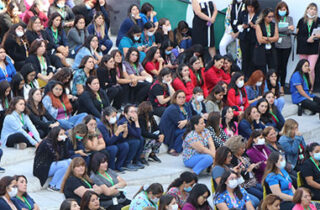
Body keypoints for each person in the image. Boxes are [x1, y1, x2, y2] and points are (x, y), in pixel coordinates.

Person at [225, 136, 263, 206]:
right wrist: (248, 170)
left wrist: (254, 166)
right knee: (260, 196)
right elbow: (240, 177)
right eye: (242, 148)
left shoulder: (243, 156)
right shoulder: (233, 160)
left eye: (244, 147)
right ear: (235, 148)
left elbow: (250, 166)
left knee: (265, 189)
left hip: (253, 181)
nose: (244, 149)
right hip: (246, 185)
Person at [33, 126, 71, 191]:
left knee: (70, 161)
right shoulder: (47, 143)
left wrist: (64, 142)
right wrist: (62, 143)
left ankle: (59, 185)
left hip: (50, 164)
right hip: (41, 168)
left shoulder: (58, 142)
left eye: (64, 134)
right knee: (64, 164)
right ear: (55, 134)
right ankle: (52, 185)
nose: (63, 136)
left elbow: (67, 156)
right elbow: (59, 157)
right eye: (61, 134)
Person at [296, 3, 320, 92]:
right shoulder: (301, 20)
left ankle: (310, 88)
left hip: (313, 48)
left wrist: (314, 37)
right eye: (311, 9)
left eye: (314, 9)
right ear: (307, 10)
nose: (312, 11)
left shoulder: (318, 21)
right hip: (302, 47)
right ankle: (303, 88)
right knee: (303, 68)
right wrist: (307, 39)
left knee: (311, 68)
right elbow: (298, 34)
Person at [160, 90, 191, 156]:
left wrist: (186, 121)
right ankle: (173, 149)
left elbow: (191, 117)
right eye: (179, 97)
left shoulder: (186, 106)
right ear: (175, 98)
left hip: (176, 129)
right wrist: (188, 121)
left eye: (183, 97)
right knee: (186, 131)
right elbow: (180, 124)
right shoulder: (173, 109)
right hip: (168, 132)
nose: (182, 99)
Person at [97, 107, 129, 172]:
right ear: (106, 117)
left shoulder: (114, 124)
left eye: (115, 116)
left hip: (113, 144)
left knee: (125, 145)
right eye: (113, 116)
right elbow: (108, 142)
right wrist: (117, 132)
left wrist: (125, 132)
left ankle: (119, 166)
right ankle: (111, 168)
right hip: (105, 147)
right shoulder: (101, 126)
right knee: (113, 148)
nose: (115, 118)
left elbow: (120, 139)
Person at [274, 1, 294, 95]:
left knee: (283, 66)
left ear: (286, 10)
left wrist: (283, 29)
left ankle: (282, 86)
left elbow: (290, 32)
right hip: (277, 45)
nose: (282, 11)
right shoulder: (275, 19)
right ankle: (275, 86)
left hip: (287, 45)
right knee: (277, 66)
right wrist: (287, 28)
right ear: (277, 10)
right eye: (280, 9)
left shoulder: (290, 18)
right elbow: (276, 30)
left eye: (284, 9)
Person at [117, 105, 145, 170]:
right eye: (131, 112)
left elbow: (139, 134)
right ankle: (127, 163)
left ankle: (136, 160)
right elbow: (137, 134)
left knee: (141, 139)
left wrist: (135, 122)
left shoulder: (131, 121)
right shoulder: (123, 122)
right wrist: (136, 122)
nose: (134, 114)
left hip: (128, 139)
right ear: (125, 113)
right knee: (136, 141)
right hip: (121, 141)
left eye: (135, 112)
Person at [238, 0, 260, 78]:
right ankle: (244, 75)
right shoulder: (243, 13)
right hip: (244, 38)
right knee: (245, 57)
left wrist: (253, 26)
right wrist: (242, 26)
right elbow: (238, 24)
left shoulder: (259, 14)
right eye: (248, 7)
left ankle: (251, 75)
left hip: (254, 38)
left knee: (252, 58)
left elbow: (260, 27)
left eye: (252, 7)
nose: (250, 9)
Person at [254, 8, 279, 73]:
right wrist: (271, 39)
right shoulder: (259, 25)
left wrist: (267, 38)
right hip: (261, 50)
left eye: (272, 17)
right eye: (269, 17)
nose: (271, 19)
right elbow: (260, 40)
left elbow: (276, 37)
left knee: (273, 69)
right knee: (262, 70)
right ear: (264, 16)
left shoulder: (274, 24)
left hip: (271, 50)